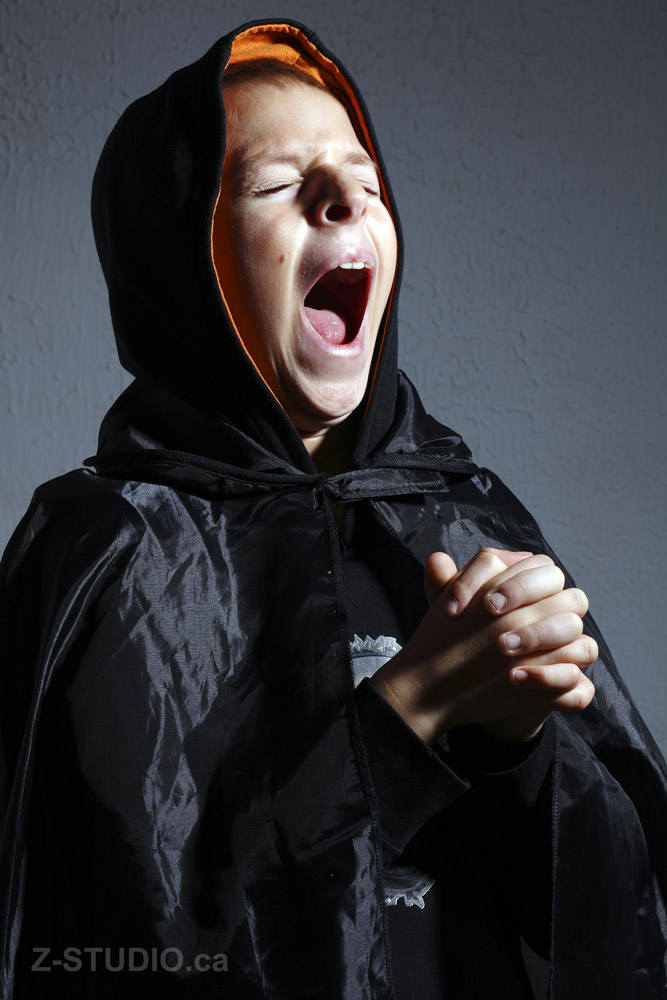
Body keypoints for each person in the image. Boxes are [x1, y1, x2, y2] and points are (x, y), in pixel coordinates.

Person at [0, 16, 665, 1000]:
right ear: (180, 256)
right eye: (278, 184)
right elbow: (121, 939)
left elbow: (620, 924)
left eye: (365, 180)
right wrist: (407, 718)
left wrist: (515, 748)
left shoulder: (471, 518)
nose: (346, 197)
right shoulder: (105, 547)